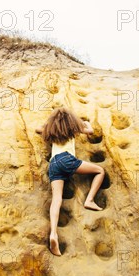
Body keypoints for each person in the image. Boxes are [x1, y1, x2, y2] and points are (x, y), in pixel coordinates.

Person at [35, 107, 105, 256]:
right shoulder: (73, 128)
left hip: (53, 163)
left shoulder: (51, 131)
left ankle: (53, 233)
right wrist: (86, 122)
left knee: (56, 199)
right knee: (100, 171)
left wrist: (49, 123)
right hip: (66, 159)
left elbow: (37, 129)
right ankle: (90, 200)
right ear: (70, 120)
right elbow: (90, 131)